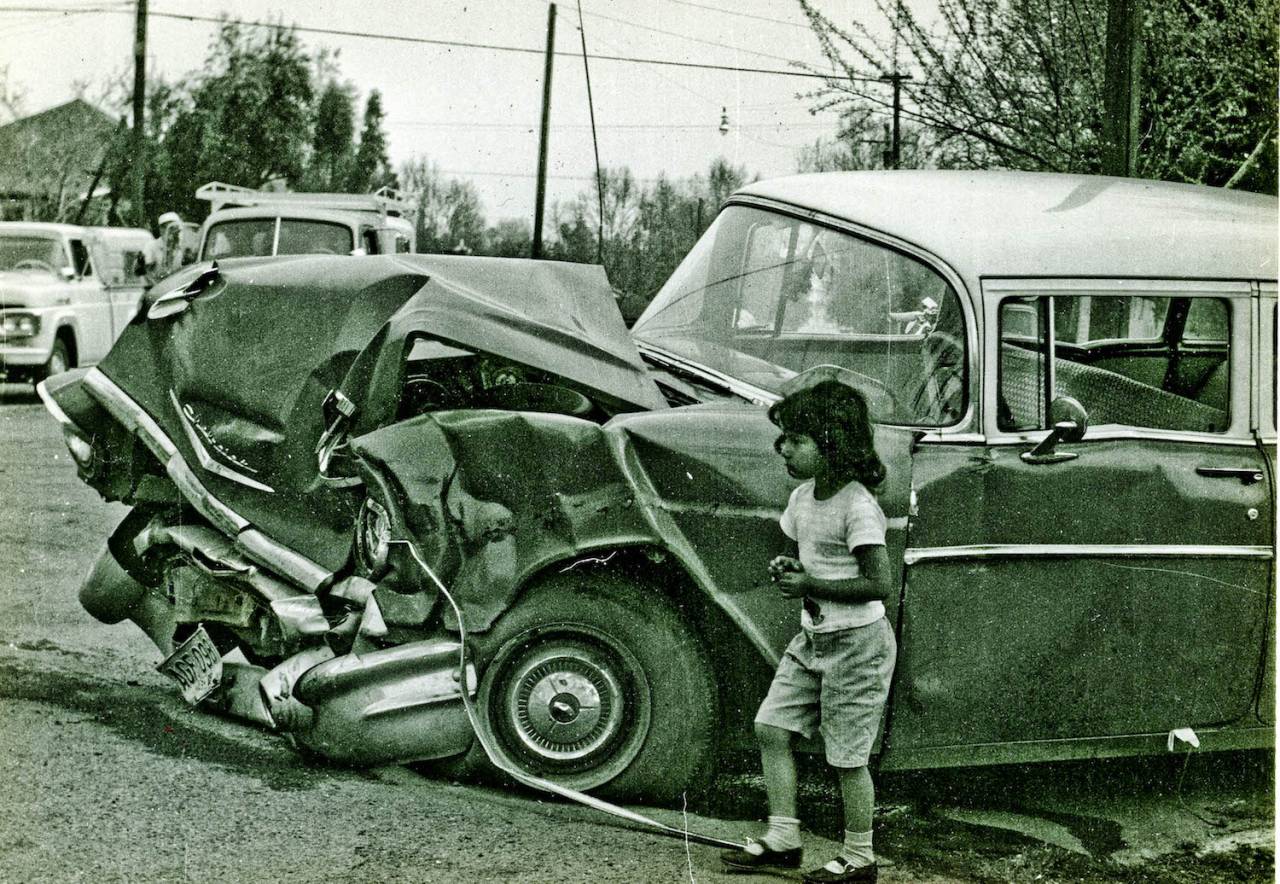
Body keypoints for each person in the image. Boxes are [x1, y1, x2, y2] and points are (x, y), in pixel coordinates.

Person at [722, 379, 896, 884]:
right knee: (771, 728)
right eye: (785, 438)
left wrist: (809, 583)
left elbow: (878, 582)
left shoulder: (857, 505)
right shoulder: (802, 497)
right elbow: (810, 556)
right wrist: (790, 567)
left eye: (796, 440)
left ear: (832, 444)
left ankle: (860, 857)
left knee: (846, 757)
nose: (784, 448)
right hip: (812, 641)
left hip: (858, 647)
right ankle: (783, 837)